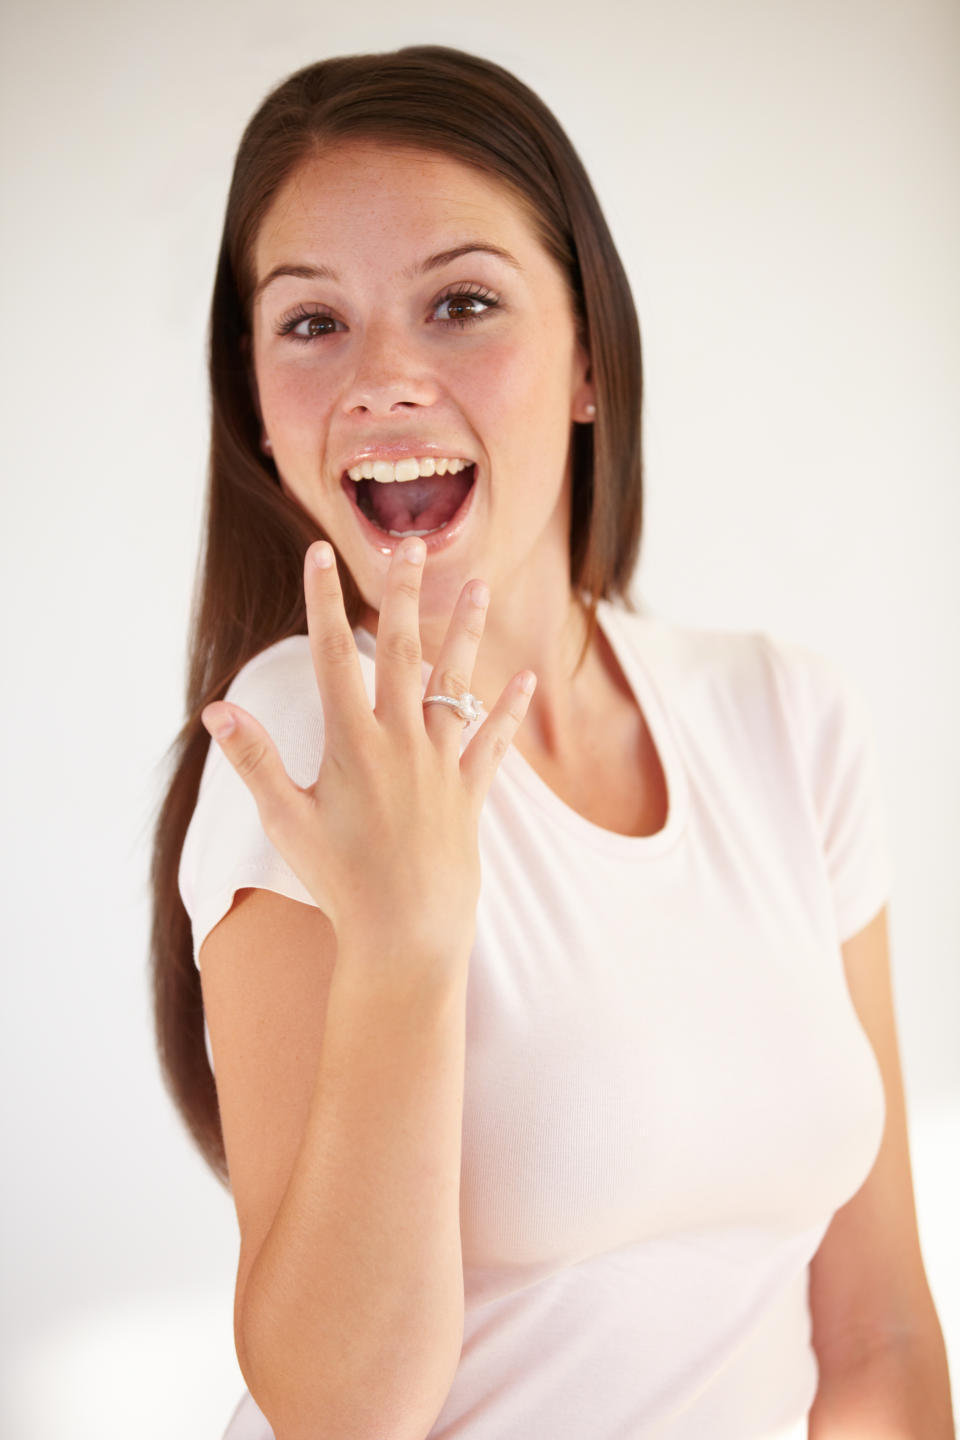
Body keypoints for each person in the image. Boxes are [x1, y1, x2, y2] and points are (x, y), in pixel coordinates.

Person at [151, 44, 954, 1440]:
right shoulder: (293, 740)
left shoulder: (785, 719)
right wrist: (409, 940)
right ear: (255, 400)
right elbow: (338, 1415)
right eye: (312, 322)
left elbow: (877, 1332)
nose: (385, 379)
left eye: (461, 303)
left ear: (589, 361)